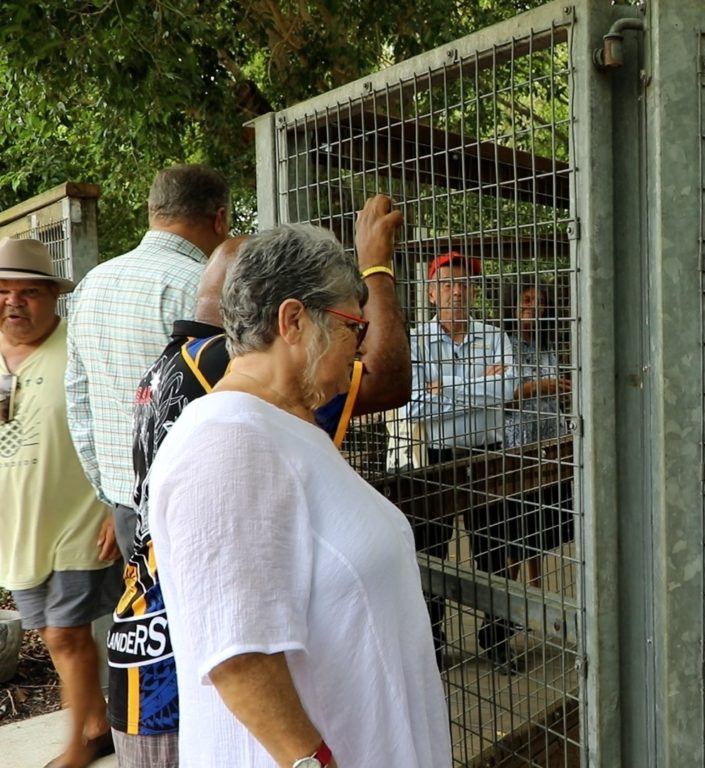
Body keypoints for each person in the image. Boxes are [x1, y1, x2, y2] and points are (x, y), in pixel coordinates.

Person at [107, 196, 412, 767]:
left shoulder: (273, 414)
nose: (357, 348)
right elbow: (239, 654)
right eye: (353, 326)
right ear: (293, 320)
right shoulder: (227, 440)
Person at [66, 164, 231, 561]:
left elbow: (77, 400)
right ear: (220, 219)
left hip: (126, 506)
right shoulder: (206, 288)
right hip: (200, 504)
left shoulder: (91, 285)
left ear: (153, 211)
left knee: (147, 618)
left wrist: (111, 490)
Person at [0, 237, 122, 768]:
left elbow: (123, 423)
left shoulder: (80, 348)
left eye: (29, 292)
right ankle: (97, 725)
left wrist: (116, 505)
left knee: (66, 632)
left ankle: (78, 746)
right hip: (17, 525)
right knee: (52, 633)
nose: (13, 303)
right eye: (2, 292)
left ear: (53, 297)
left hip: (79, 517)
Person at [402, 251, 520, 673]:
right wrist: (478, 383)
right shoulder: (414, 341)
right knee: (432, 553)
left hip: (486, 456)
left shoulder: (494, 336)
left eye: (465, 284)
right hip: (435, 459)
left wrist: (443, 387)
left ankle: (498, 642)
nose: (457, 291)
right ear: (431, 294)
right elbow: (413, 406)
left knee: (495, 552)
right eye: (448, 284)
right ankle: (432, 645)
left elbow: (506, 391)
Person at [502, 278, 574, 588]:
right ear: (513, 307)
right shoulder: (502, 344)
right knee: (518, 529)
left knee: (541, 526)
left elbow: (555, 390)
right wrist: (537, 387)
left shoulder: (546, 349)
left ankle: (536, 588)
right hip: (518, 446)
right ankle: (504, 607)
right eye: (527, 301)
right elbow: (497, 396)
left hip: (549, 444)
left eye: (539, 303)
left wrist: (562, 391)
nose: (534, 308)